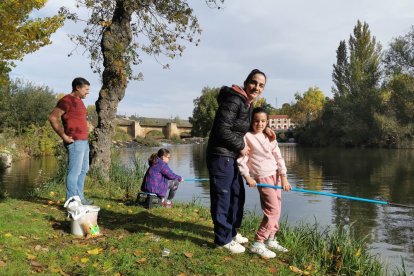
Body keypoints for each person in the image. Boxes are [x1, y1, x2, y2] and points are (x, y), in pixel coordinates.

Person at [206, 69, 275, 254]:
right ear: (246, 82)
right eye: (254, 82)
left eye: (261, 85)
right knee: (223, 196)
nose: (257, 87)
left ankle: (231, 232)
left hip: (233, 157)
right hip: (221, 155)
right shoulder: (235, 100)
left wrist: (265, 129)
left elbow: (250, 125)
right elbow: (222, 129)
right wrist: (240, 146)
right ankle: (222, 239)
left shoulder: (247, 103)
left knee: (237, 195)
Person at [238, 107, 291, 259]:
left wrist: (284, 176)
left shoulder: (269, 136)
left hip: (276, 176)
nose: (259, 124)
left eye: (263, 121)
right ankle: (258, 242)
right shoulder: (247, 136)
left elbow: (278, 156)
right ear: (251, 121)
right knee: (272, 210)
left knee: (277, 209)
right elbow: (242, 159)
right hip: (263, 177)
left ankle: (271, 238)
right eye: (256, 121)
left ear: (267, 122)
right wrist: (247, 177)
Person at [48, 77, 93, 205]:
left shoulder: (79, 101)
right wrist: (64, 136)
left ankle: (80, 199)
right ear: (77, 87)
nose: (88, 92)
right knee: (74, 172)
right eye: (86, 89)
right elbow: (52, 118)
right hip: (75, 142)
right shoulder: (66, 100)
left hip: (84, 141)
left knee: (84, 170)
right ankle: (71, 201)